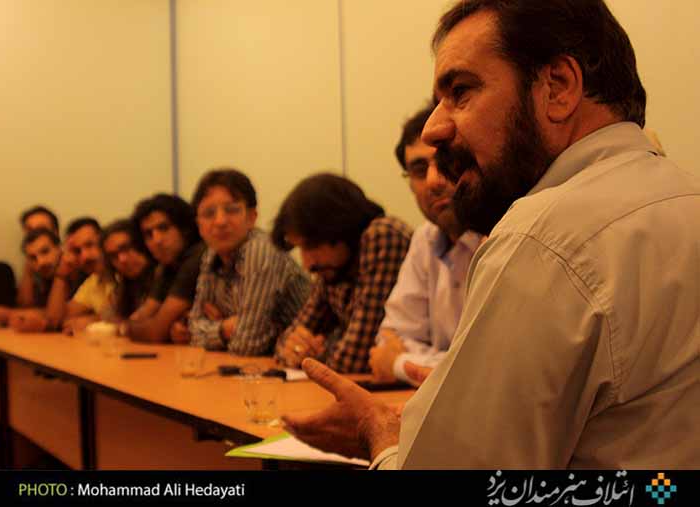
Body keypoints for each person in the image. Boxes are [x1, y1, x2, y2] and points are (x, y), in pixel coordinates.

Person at [283, 0, 700, 468]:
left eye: (461, 91)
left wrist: (378, 434)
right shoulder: (686, 199)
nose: (433, 128)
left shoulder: (543, 239)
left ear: (558, 88)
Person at [369, 105, 484, 385]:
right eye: (420, 170)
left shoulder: (503, 235)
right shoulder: (426, 238)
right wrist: (438, 363)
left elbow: (488, 370)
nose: (434, 181)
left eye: (447, 161)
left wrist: (398, 363)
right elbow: (391, 335)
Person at [272, 173, 412, 373]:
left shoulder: (382, 235)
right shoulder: (333, 268)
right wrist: (293, 348)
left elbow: (354, 359)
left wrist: (312, 356)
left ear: (340, 226)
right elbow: (289, 338)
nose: (307, 263)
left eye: (311, 246)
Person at [188, 169, 310, 354]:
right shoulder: (211, 254)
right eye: (209, 213)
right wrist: (224, 329)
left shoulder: (260, 250)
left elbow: (248, 344)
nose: (220, 221)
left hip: (309, 359)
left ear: (252, 217)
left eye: (231, 210)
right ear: (199, 224)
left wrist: (217, 329)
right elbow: (193, 330)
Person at [125, 194, 203, 343]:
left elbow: (155, 332)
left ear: (184, 228)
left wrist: (128, 328)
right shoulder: (167, 265)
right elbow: (140, 317)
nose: (157, 240)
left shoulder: (197, 256)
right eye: (148, 234)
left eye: (163, 228)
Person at [44, 217, 113, 334]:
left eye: (89, 245)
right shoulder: (93, 281)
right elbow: (55, 320)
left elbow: (128, 314)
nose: (85, 256)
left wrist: (94, 320)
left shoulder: (123, 270)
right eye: (77, 251)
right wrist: (62, 273)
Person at [0, 228, 62, 326]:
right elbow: (25, 306)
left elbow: (55, 317)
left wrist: (10, 314)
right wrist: (28, 271)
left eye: (45, 252)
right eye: (33, 257)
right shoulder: (40, 276)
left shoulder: (73, 273)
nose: (41, 262)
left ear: (59, 248)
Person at [100, 219, 154, 320]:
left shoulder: (165, 276)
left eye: (126, 248)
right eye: (114, 256)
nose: (122, 259)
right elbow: (108, 317)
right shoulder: (124, 286)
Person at [16, 205, 60, 308]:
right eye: (30, 231)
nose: (35, 235)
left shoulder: (72, 263)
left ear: (56, 233)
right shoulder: (33, 262)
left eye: (41, 229)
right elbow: (24, 306)